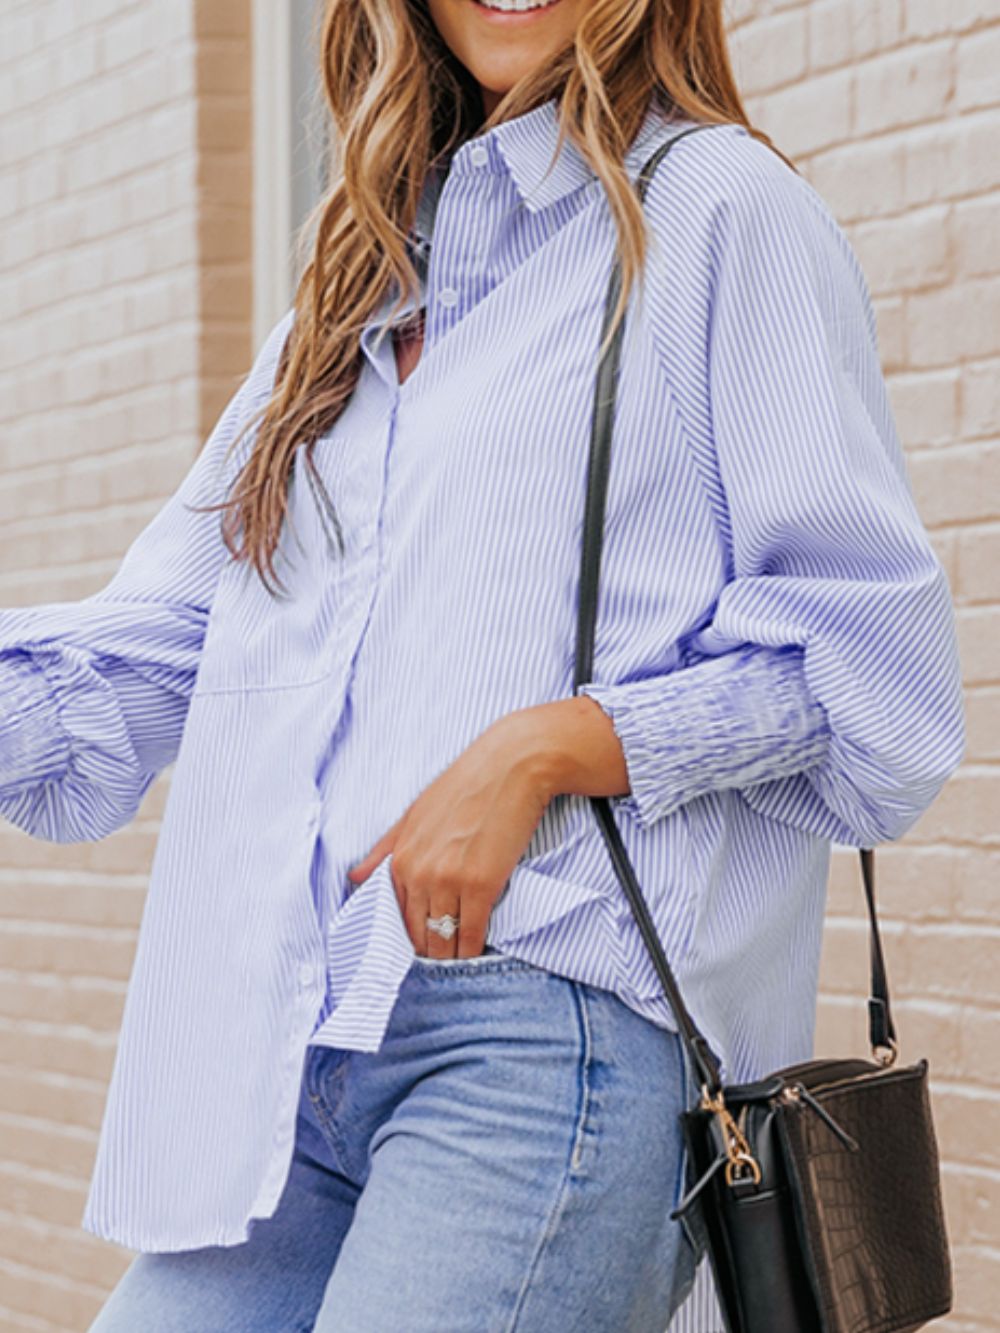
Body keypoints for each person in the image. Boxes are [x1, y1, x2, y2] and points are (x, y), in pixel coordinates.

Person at [1, 0, 965, 1329]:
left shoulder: (719, 217)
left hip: (545, 1041)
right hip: (297, 1060)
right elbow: (147, 657)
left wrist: (548, 746)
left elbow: (871, 675)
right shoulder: (347, 301)